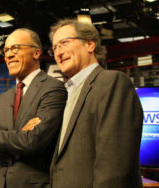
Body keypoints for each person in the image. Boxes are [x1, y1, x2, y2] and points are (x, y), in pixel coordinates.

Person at [48, 18, 143, 187]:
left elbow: (114, 164)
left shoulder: (112, 82)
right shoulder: (68, 93)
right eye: (54, 47)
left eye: (64, 43)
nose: (58, 52)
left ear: (90, 45)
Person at [0, 28, 67, 188]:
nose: (9, 55)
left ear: (36, 53)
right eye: (6, 50)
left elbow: (34, 141)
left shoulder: (53, 88)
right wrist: (19, 142)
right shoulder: (3, 99)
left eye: (15, 48)